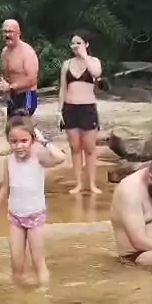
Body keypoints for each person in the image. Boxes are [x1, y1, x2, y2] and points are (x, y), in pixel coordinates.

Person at [0, 116, 65, 287]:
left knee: (38, 262)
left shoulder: (38, 158)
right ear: (8, 141)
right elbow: (5, 188)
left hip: (35, 217)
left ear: (32, 140)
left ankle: (43, 294)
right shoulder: (9, 161)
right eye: (14, 141)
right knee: (16, 265)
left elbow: (60, 158)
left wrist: (43, 141)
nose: (19, 146)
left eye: (24, 140)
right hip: (15, 217)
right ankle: (19, 295)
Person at [58, 31, 103, 195]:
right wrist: (59, 110)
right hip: (70, 108)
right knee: (75, 147)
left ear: (86, 44)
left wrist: (84, 56)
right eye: (73, 43)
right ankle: (78, 183)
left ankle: (92, 184)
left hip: (87, 108)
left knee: (89, 148)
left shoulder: (94, 61)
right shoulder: (66, 64)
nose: (75, 46)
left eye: (79, 43)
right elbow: (63, 88)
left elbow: (96, 73)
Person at [0, 19, 39, 119]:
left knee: (22, 122)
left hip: (27, 95)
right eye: (5, 31)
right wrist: (2, 84)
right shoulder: (4, 52)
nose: (7, 35)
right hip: (13, 95)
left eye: (10, 31)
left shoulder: (27, 52)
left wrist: (10, 87)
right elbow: (5, 74)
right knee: (11, 125)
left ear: (18, 33)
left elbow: (32, 79)